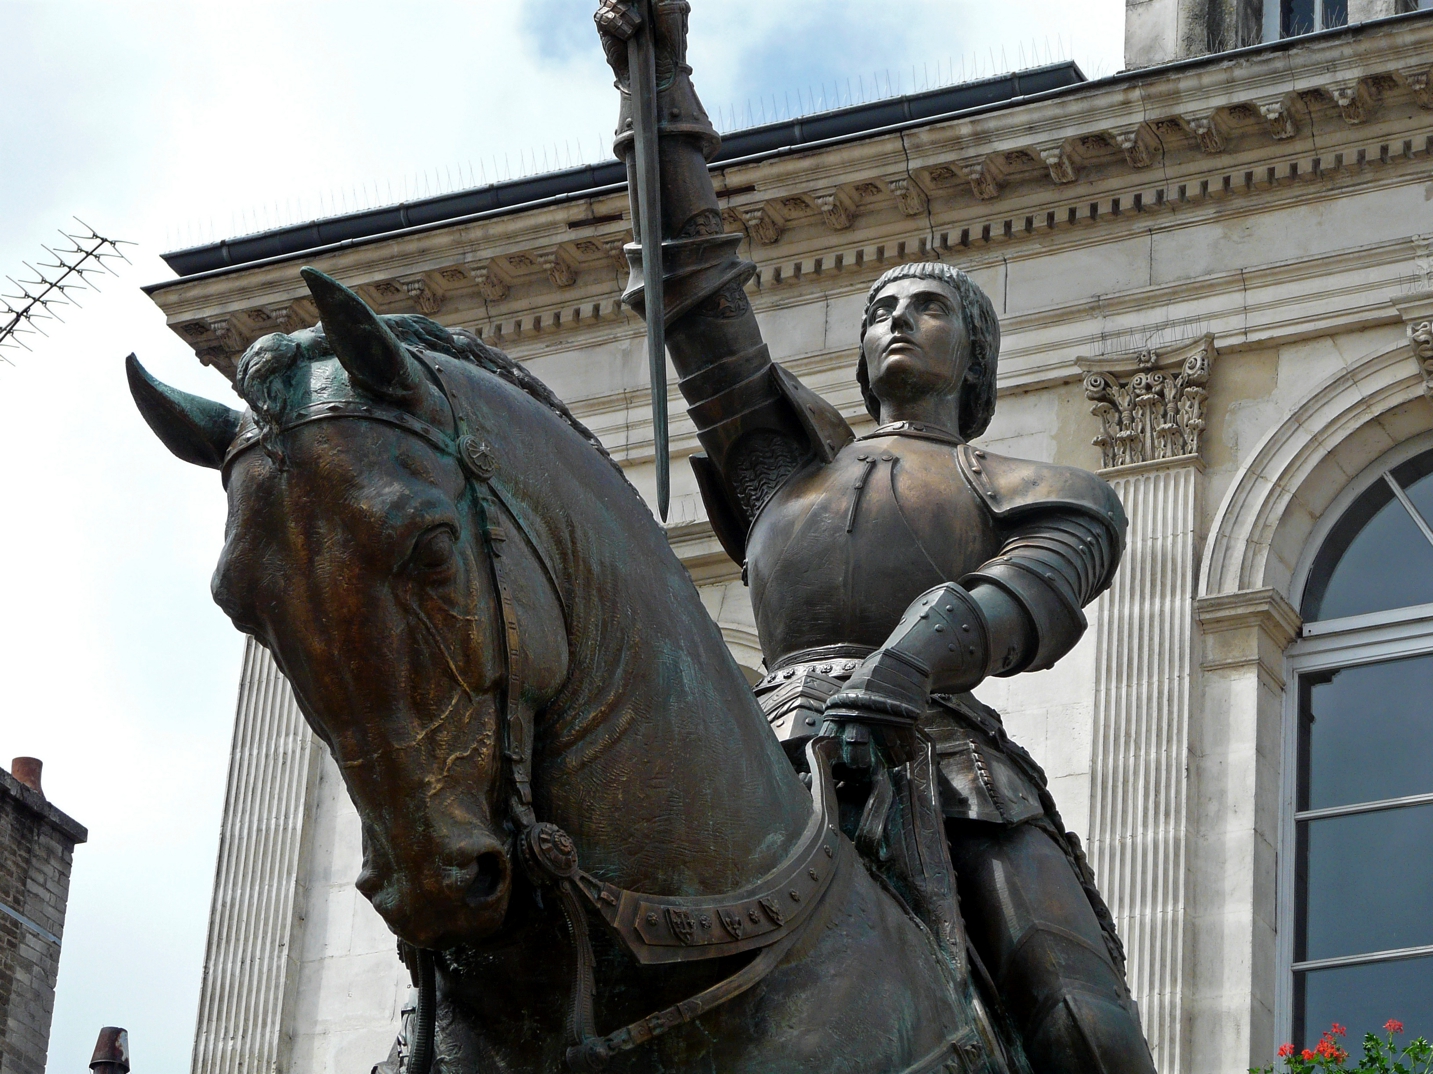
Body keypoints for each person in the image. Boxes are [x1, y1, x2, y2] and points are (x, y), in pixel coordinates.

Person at [595, 3, 1157, 1070]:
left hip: (940, 758)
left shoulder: (1046, 486)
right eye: (878, 309)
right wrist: (653, 77)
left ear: (974, 355)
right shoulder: (785, 468)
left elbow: (1018, 598)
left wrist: (902, 669)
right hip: (755, 747)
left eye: (927, 308)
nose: (895, 318)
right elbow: (691, 287)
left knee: (1083, 1021)